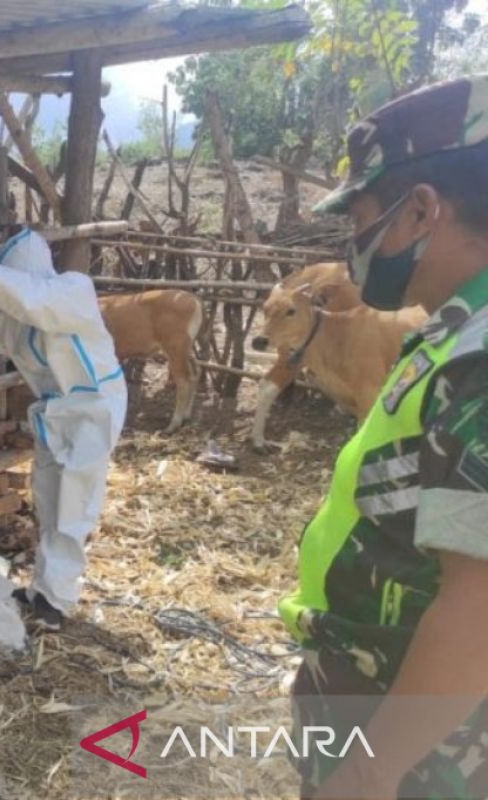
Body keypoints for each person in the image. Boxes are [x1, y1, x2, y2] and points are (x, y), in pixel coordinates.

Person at [279, 75, 488, 799]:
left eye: (363, 216)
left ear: (422, 209)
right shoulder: (452, 332)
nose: (355, 240)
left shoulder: (482, 359)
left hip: (423, 749)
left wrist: (372, 771)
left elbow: (479, 604)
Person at [0, 230, 127, 631]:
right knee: (48, 497)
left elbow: (26, 300)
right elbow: (4, 341)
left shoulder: (71, 291)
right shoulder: (24, 309)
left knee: (74, 506)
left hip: (93, 408)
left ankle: (58, 600)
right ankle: (43, 589)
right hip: (56, 412)